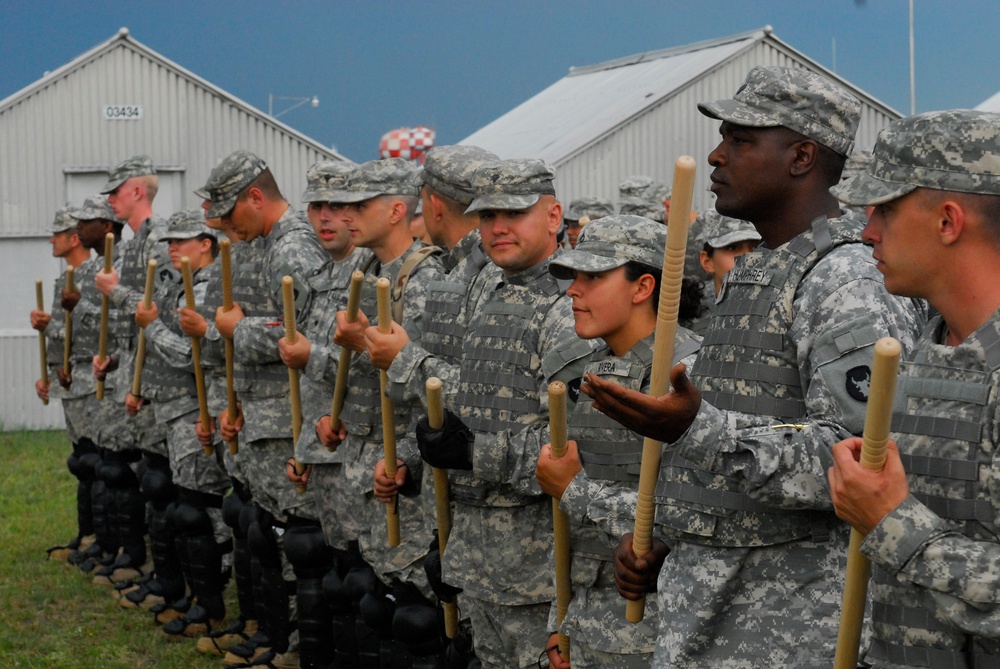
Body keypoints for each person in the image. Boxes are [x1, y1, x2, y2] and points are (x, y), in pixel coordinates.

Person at [587, 65, 926, 667]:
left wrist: (698, 430)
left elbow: (862, 452)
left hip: (792, 627)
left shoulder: (844, 278)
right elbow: (754, 421)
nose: (716, 156)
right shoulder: (762, 270)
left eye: (741, 140)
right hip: (718, 611)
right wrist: (671, 534)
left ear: (801, 156)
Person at [828, 109, 1000, 668]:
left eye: (886, 209)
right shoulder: (930, 344)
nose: (867, 230)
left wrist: (893, 521)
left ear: (948, 222)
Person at [416, 157, 594, 669]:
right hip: (479, 549)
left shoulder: (571, 305)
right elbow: (479, 395)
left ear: (554, 215)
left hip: (542, 565)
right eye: (486, 216)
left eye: (513, 214)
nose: (497, 228)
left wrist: (474, 451)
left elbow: (573, 446)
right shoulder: (489, 287)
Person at [534, 214, 701, 668]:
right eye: (574, 277)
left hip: (655, 634)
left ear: (643, 287)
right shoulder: (591, 370)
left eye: (593, 277)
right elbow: (571, 529)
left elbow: (698, 520)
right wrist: (560, 621)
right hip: (588, 625)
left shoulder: (687, 378)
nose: (573, 290)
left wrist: (576, 490)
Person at [316, 157, 445, 667]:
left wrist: (407, 464)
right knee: (374, 595)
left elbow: (428, 380)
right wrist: (337, 414)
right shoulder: (365, 269)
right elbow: (368, 376)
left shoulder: (425, 277)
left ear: (396, 210)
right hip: (365, 449)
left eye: (358, 205)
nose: (345, 215)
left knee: (415, 609)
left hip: (403, 462)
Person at [207, 149, 329, 668]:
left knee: (294, 539)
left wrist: (238, 329)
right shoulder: (263, 244)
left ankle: (301, 646)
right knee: (267, 531)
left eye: (229, 212)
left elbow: (302, 332)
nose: (224, 224)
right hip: (263, 412)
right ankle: (279, 636)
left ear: (256, 197)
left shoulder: (294, 248)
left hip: (289, 415)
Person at [277, 159, 372, 669]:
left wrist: (310, 353)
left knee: (363, 581)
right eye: (317, 205)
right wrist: (302, 446)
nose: (326, 217)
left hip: (359, 449)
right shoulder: (318, 276)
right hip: (325, 448)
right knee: (335, 572)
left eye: (339, 206)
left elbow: (372, 366)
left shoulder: (370, 274)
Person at [129, 210, 232, 640]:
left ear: (206, 243)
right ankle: (196, 596)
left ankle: (212, 606)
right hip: (177, 409)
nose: (172, 247)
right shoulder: (178, 286)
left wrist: (152, 328)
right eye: (169, 241)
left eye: (183, 240)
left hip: (200, 408)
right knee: (183, 506)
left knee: (197, 510)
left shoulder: (208, 290)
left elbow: (192, 357)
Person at [92, 155, 175, 586]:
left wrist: (117, 291)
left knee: (166, 482)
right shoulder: (132, 242)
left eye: (116, 190)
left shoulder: (160, 239)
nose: (109, 199)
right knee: (146, 475)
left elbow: (159, 311)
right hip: (138, 374)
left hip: (163, 377)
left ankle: (175, 577)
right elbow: (133, 326)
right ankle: (152, 567)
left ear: (137, 190)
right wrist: (116, 359)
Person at [32, 207, 96, 561]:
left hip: (89, 381)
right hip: (69, 380)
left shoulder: (90, 277)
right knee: (81, 459)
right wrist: (49, 373)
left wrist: (48, 327)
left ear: (74, 238)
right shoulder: (66, 278)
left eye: (58, 233)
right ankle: (87, 534)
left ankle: (98, 539)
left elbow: (86, 337)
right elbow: (62, 338)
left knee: (94, 460)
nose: (51, 239)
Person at [697, 208, 761, 297]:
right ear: (707, 262)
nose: (749, 258)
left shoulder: (782, 303)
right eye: (733, 248)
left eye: (756, 248)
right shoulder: (691, 307)